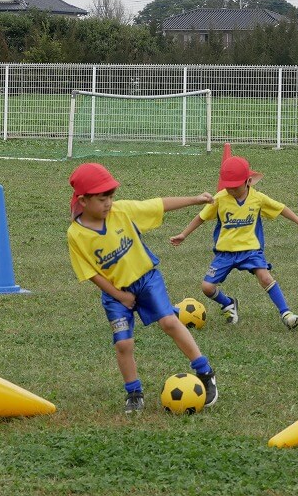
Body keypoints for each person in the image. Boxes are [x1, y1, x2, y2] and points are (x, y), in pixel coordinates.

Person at [67, 162, 218, 414]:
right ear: (83, 201)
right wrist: (119, 296)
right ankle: (134, 393)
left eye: (111, 197)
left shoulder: (122, 211)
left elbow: (158, 204)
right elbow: (90, 272)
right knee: (123, 344)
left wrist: (196, 200)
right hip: (115, 294)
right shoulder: (76, 234)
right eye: (103, 198)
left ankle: (204, 372)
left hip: (147, 280)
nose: (109, 203)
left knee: (169, 322)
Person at [170, 156, 298, 329]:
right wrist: (184, 234)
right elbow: (201, 217)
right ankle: (228, 304)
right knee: (207, 287)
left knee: (265, 277)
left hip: (251, 250)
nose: (231, 190)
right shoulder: (220, 198)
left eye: (235, 187)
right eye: (228, 187)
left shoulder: (258, 198)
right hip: (225, 253)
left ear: (248, 181)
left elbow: (280, 208)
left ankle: (286, 313)